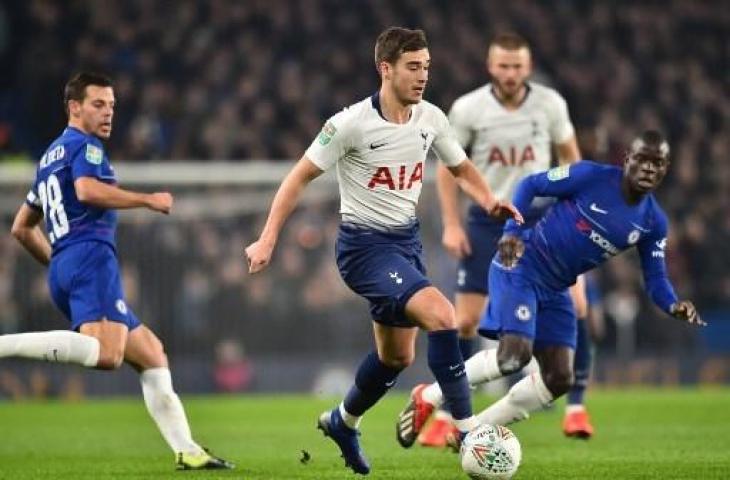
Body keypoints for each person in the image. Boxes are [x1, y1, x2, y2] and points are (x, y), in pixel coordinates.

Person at [244, 27, 522, 475]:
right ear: (385, 68)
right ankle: (469, 430)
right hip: (364, 248)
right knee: (443, 315)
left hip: (406, 243)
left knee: (397, 357)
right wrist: (268, 237)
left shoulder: (430, 118)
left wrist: (489, 199)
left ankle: (342, 420)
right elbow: (298, 177)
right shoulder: (349, 124)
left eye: (426, 67)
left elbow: (462, 166)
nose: (422, 76)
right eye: (413, 67)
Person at [398, 130, 704, 446]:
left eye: (659, 163)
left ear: (666, 169)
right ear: (627, 158)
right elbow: (530, 184)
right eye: (643, 159)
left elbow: (655, 278)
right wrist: (511, 232)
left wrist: (672, 304)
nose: (649, 169)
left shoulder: (654, 221)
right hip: (523, 266)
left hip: (557, 288)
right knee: (513, 357)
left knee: (559, 378)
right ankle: (429, 396)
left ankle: (469, 434)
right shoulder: (590, 176)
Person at [3, 72, 234, 471]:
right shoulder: (84, 146)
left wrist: (57, 262)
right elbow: (88, 192)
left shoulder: (49, 156)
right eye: (98, 104)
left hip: (68, 263)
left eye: (111, 105)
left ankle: (188, 451)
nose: (108, 112)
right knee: (107, 356)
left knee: (152, 353)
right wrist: (147, 199)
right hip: (91, 257)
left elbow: (21, 227)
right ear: (74, 107)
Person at [418, 32, 592, 447]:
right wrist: (452, 224)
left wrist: (577, 217)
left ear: (527, 67)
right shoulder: (468, 108)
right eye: (503, 65)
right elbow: (447, 168)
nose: (510, 73)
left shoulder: (549, 104)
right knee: (465, 320)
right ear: (490, 66)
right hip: (487, 219)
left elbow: (573, 161)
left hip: (541, 221)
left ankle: (576, 407)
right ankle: (448, 412)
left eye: (517, 66)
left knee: (579, 303)